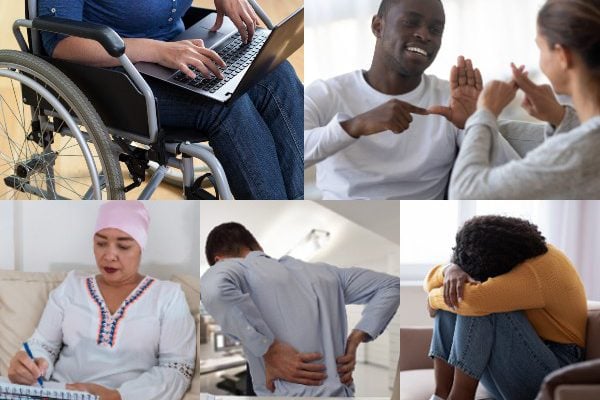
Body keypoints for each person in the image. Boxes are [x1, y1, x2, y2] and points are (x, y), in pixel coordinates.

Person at [38, 0, 303, 200]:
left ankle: (298, 205)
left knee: (277, 72)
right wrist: (156, 51)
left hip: (177, 44)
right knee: (227, 106)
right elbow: (62, 44)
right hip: (111, 72)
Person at [7, 201, 196, 400]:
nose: (109, 255)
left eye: (123, 246)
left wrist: (117, 396)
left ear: (141, 247)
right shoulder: (72, 287)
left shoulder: (167, 296)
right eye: (101, 243)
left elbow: (177, 368)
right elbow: (44, 344)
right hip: (56, 394)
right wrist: (32, 365)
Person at [304, 0, 483, 199]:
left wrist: (478, 123)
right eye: (410, 22)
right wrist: (356, 125)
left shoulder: (452, 99)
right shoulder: (326, 94)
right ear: (378, 26)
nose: (424, 35)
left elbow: (504, 178)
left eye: (435, 29)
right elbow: (289, 155)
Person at [200, 222, 400, 396]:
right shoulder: (326, 273)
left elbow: (213, 289)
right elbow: (392, 286)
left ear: (219, 261)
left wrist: (268, 348)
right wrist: (356, 338)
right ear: (257, 245)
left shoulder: (238, 269)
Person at [424, 216, 587, 400]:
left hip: (557, 368)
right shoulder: (514, 253)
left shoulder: (536, 270)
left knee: (476, 302)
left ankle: (460, 396)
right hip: (521, 358)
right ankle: (440, 395)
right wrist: (450, 269)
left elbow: (476, 300)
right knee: (454, 290)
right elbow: (430, 280)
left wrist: (432, 300)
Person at [449, 0, 600, 199]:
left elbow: (464, 193)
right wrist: (560, 116)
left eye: (540, 47)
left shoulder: (579, 151)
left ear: (563, 56)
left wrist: (484, 113)